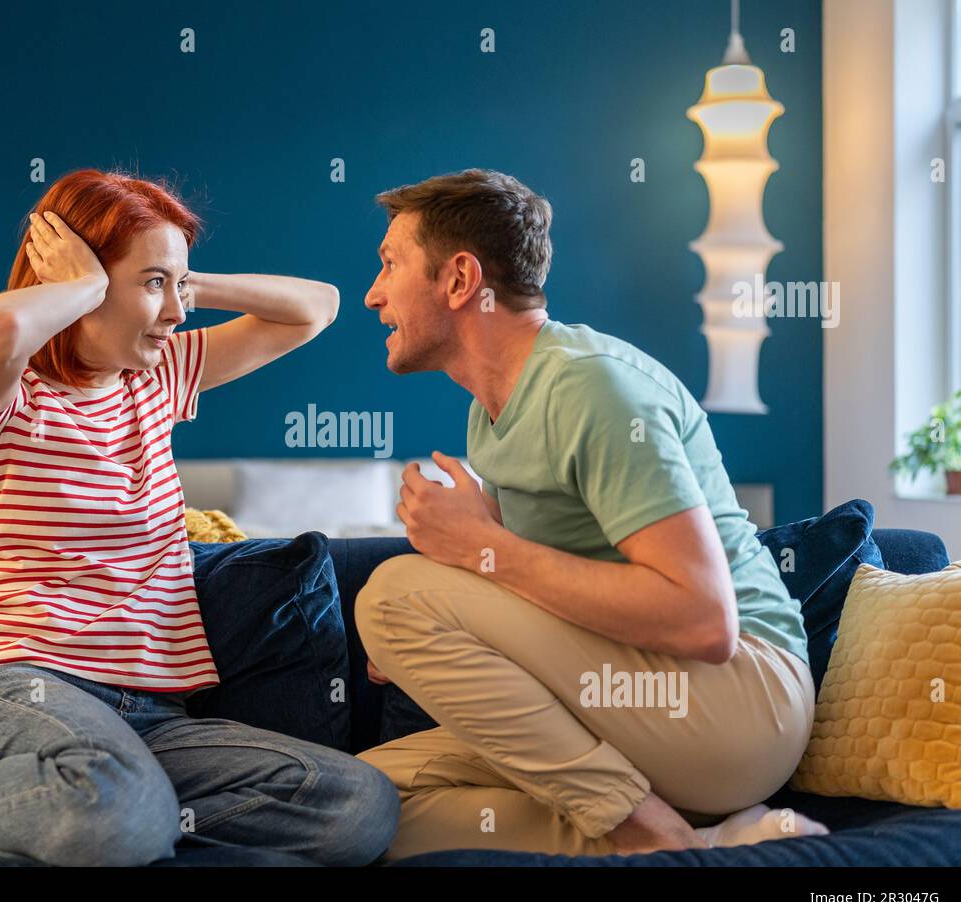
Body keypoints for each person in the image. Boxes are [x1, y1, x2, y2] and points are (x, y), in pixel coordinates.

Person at [0, 169, 399, 866]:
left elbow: (317, 308)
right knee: (115, 804)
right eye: (151, 285)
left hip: (153, 714)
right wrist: (88, 288)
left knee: (356, 804)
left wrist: (177, 277)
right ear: (72, 279)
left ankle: (99, 820)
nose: (177, 314)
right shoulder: (6, 397)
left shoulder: (158, 376)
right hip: (23, 684)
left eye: (175, 288)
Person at [352, 168, 827, 861]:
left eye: (389, 265)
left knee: (393, 597)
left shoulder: (591, 388)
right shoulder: (491, 413)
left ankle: (647, 830)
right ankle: (699, 844)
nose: (373, 294)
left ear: (459, 281)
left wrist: (481, 550)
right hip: (644, 707)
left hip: (743, 707)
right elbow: (571, 588)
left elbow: (704, 620)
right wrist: (464, 612)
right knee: (359, 805)